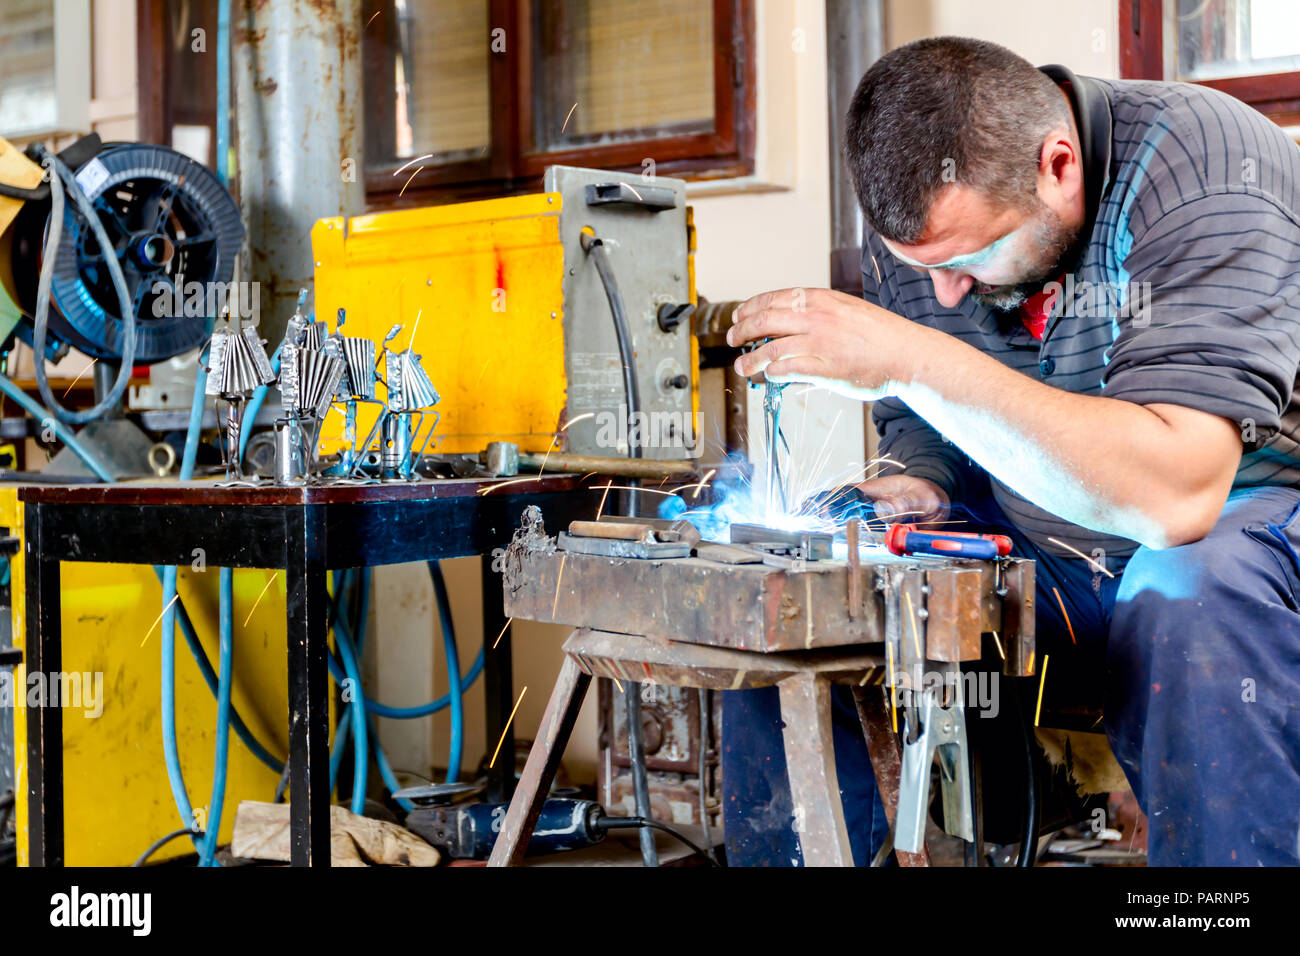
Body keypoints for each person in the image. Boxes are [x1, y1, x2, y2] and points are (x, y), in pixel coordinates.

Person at [724, 36, 1300, 866]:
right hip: (1060, 539)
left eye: (967, 258)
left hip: (1251, 520)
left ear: (1057, 165)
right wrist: (915, 481)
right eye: (922, 268)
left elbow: (1177, 498)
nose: (946, 290)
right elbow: (924, 420)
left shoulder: (1204, 168)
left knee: (1188, 588)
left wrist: (914, 361)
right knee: (807, 588)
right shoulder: (933, 216)